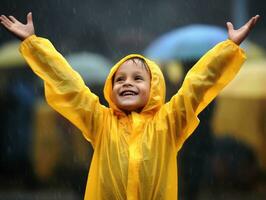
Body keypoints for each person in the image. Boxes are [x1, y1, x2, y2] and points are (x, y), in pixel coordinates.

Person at [0, 12, 259, 200]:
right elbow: (67, 84)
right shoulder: (100, 122)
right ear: (110, 89)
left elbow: (198, 84)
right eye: (119, 79)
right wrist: (33, 45)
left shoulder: (169, 122)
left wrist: (229, 48)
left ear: (155, 87)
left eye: (137, 78)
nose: (127, 83)